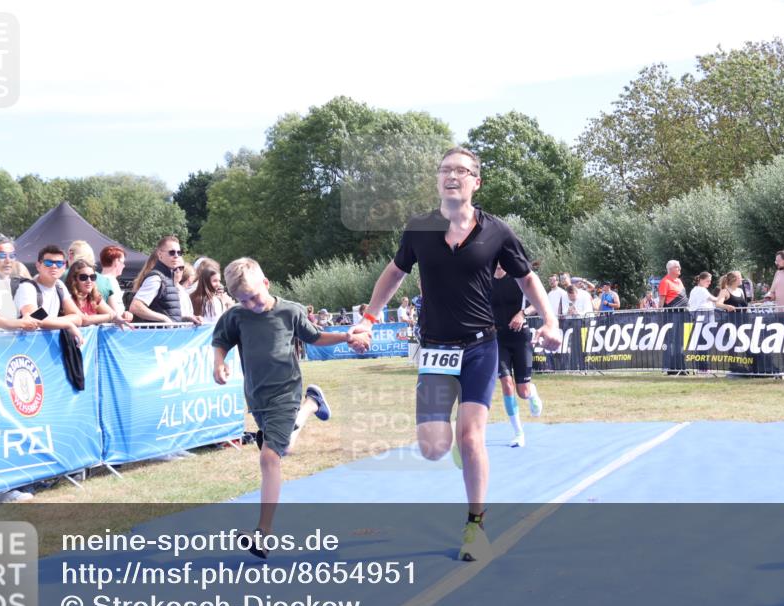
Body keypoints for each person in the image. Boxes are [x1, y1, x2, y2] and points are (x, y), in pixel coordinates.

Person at [351, 147, 562, 562]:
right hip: (434, 351)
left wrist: (550, 322)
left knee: (470, 437)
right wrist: (369, 319)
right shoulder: (419, 229)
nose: (452, 176)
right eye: (445, 170)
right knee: (432, 447)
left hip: (481, 347)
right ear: (437, 180)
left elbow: (528, 278)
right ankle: (456, 449)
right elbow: (394, 273)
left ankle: (475, 525)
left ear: (475, 181)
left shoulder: (497, 231)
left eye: (461, 171)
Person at [212, 257, 370, 557]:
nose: (251, 305)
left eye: (254, 297)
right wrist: (218, 364)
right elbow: (221, 340)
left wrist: (345, 336)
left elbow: (314, 336)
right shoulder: (236, 316)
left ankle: (263, 533)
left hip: (286, 392)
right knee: (283, 450)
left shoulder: (290, 311)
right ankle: (312, 403)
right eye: (243, 300)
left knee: (270, 457)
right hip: (257, 399)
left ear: (266, 284)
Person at [492, 263, 543, 448]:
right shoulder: (485, 279)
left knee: (523, 392)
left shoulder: (518, 278)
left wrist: (522, 314)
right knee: (506, 383)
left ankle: (532, 392)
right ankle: (518, 432)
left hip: (520, 337)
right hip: (498, 339)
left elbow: (536, 304)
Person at [14, 244, 84, 343]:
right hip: (26, 345)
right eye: (48, 263)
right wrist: (67, 324)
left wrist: (49, 321)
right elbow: (32, 318)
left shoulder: (59, 286)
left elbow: (78, 318)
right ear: (38, 266)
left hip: (49, 346)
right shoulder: (27, 287)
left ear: (64, 267)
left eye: (59, 263)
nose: (54, 266)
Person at [130, 236, 195, 323]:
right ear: (160, 254)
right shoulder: (156, 278)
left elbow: (170, 315)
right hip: (159, 334)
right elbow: (135, 307)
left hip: (170, 333)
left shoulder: (168, 278)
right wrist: (163, 318)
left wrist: (188, 319)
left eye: (179, 252)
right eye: (172, 252)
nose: (176, 256)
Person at [65, 259, 119, 326]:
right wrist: (110, 316)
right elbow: (84, 320)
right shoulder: (67, 298)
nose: (89, 281)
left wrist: (123, 316)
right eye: (83, 277)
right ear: (74, 279)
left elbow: (114, 316)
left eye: (92, 277)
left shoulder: (94, 297)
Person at [658, 260, 689, 375]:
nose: (680, 269)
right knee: (670, 341)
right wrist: (660, 315)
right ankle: (670, 367)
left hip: (682, 314)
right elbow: (661, 302)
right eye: (677, 267)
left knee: (680, 341)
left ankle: (681, 366)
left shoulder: (679, 281)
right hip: (671, 315)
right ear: (670, 269)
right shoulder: (665, 282)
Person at [191, 259, 234, 324]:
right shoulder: (212, 301)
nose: (218, 284)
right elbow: (220, 322)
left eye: (219, 281)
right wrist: (226, 304)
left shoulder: (193, 296)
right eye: (215, 281)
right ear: (206, 281)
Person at [98, 245, 132, 321]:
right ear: (117, 262)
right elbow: (116, 312)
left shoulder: (98, 279)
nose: (124, 266)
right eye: (123, 263)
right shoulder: (110, 281)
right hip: (111, 328)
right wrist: (125, 315)